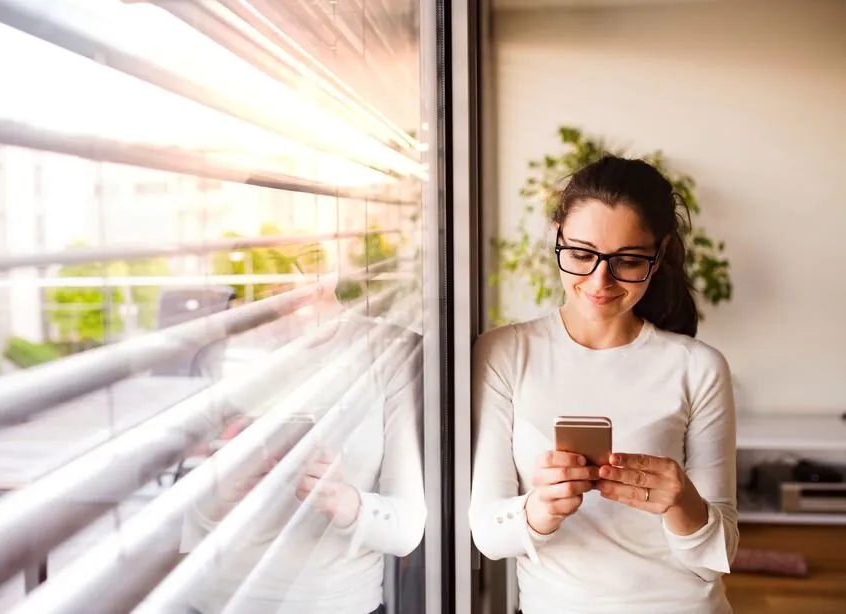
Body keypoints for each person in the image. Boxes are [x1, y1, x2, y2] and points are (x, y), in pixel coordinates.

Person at [469, 155, 738, 613]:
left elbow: (719, 556)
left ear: (659, 255)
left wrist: (680, 501)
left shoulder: (699, 367)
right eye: (580, 254)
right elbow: (489, 535)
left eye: (628, 261)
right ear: (557, 237)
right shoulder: (504, 354)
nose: (600, 281)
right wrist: (541, 509)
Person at [179, 277, 426, 614]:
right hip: (215, 601)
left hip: (332, 604)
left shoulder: (393, 350)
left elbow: (405, 531)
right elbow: (182, 518)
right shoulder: (226, 352)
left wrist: (343, 502)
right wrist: (224, 492)